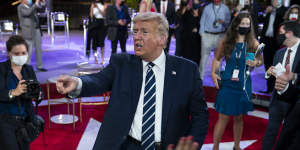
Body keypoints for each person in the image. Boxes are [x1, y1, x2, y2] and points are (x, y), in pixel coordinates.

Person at [56, 12, 209, 150]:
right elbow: (98, 80)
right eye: (135, 31)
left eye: (144, 32)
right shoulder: (122, 63)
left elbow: (200, 116)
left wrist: (192, 144)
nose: (137, 36)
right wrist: (77, 83)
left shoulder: (187, 70)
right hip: (125, 145)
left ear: (162, 39)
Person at [211, 12, 262, 150]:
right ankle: (215, 147)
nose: (245, 26)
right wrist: (214, 74)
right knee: (223, 117)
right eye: (242, 23)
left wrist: (255, 62)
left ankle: (237, 146)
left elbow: (259, 61)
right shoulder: (226, 41)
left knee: (239, 118)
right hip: (228, 82)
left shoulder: (253, 43)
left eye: (247, 24)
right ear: (236, 24)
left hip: (243, 84)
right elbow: (217, 59)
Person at [261, 21, 300, 150]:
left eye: (281, 33)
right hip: (277, 99)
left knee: (290, 136)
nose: (278, 36)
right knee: (270, 131)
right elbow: (272, 76)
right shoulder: (279, 53)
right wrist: (268, 73)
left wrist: (293, 76)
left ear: (289, 34)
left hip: (295, 102)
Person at [0, 35, 40, 150]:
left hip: (25, 121)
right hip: (5, 122)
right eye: (16, 54)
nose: (21, 56)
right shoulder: (1, 69)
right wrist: (14, 92)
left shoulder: (28, 69)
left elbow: (37, 91)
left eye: (23, 53)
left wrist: (38, 95)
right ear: (9, 53)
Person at [259, 0, 287, 93]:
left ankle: (275, 89)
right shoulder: (268, 10)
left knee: (276, 66)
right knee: (267, 65)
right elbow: (260, 20)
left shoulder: (283, 11)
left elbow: (283, 18)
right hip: (266, 41)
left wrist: (276, 9)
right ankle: (269, 88)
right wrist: (265, 13)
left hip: (276, 43)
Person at [199, 0, 231, 80]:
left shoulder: (225, 9)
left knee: (218, 58)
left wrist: (223, 22)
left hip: (220, 35)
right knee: (204, 58)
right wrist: (202, 34)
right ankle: (200, 79)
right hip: (207, 35)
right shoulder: (207, 8)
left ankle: (217, 78)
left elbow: (229, 23)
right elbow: (202, 21)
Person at [17, 0, 47, 72]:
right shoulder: (21, 7)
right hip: (28, 32)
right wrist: (35, 4)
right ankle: (26, 68)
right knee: (28, 50)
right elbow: (27, 13)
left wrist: (42, 3)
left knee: (38, 49)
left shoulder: (31, 6)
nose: (30, 0)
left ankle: (39, 66)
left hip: (36, 30)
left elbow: (41, 9)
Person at [86, 0, 108, 64]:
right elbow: (91, 16)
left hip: (102, 25)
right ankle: (95, 59)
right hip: (95, 24)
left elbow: (104, 14)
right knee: (94, 43)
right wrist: (92, 8)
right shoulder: (93, 4)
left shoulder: (105, 5)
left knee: (101, 43)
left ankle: (102, 59)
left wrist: (98, 7)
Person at [181, 0, 201, 66]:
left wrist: (197, 29)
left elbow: (204, 25)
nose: (196, 4)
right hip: (188, 39)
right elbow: (183, 22)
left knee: (196, 57)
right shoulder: (188, 12)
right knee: (187, 57)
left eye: (197, 3)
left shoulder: (201, 14)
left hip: (198, 40)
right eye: (194, 3)